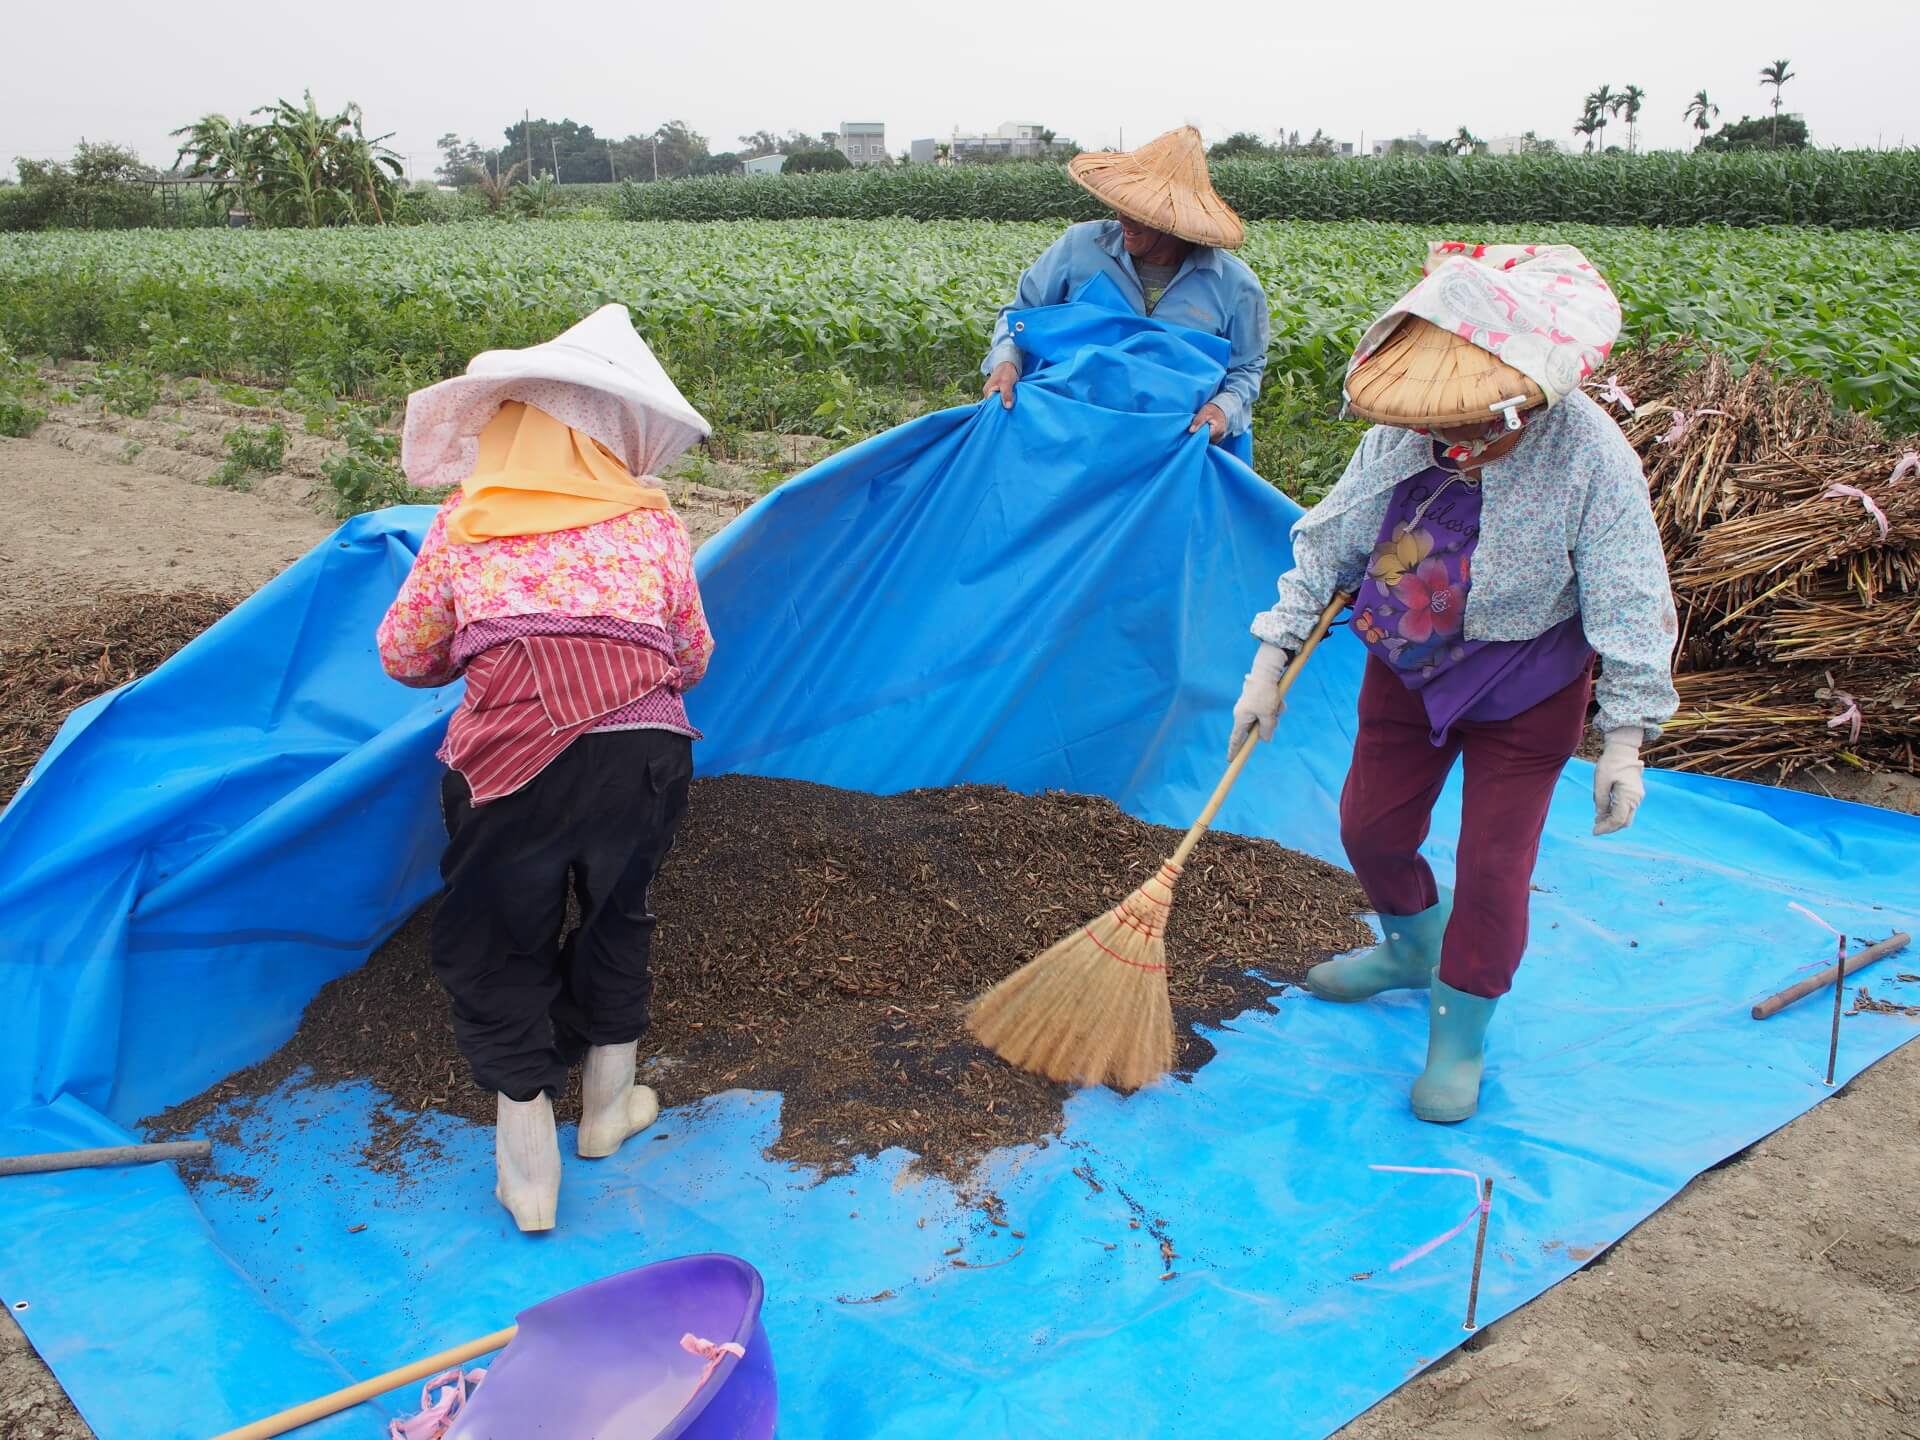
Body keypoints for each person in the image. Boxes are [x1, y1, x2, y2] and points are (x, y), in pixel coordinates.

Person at [1229, 244, 1678, 1124]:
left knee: (1492, 868)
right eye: (1449, 430)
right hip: (1407, 660)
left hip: (1528, 683)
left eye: (1481, 428)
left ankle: (1460, 1034)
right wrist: (1268, 666)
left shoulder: (1589, 454)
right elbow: (1329, 545)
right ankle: (1408, 947)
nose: (1460, 443)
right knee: (1370, 826)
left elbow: (1630, 592)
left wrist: (1625, 742)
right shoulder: (1407, 435)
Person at [376, 304, 715, 1231]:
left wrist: (493, 647)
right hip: (645, 755)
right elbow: (690, 658)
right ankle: (607, 1111)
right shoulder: (652, 526)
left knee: (500, 940)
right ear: (603, 440)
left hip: (508, 770)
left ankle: (528, 1173)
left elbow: (404, 657)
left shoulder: (467, 522)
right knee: (619, 913)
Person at [980, 126, 1270, 446]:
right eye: (1124, 204)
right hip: (1070, 436)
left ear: (1176, 220)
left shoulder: (1235, 287)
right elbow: (1020, 314)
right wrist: (1006, 362)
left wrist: (1222, 409)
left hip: (1168, 446)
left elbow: (1246, 368)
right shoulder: (1080, 248)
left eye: (1142, 213)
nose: (1124, 218)